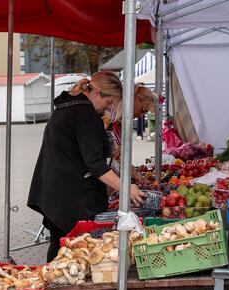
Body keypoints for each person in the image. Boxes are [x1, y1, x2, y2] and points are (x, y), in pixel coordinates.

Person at [28, 71, 146, 261]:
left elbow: (76, 146)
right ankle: (61, 287)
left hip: (53, 191)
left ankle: (55, 285)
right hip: (69, 195)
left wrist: (107, 147)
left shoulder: (69, 107)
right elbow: (95, 164)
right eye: (108, 103)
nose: (107, 109)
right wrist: (126, 189)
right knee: (72, 248)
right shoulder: (85, 114)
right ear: (97, 93)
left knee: (60, 244)